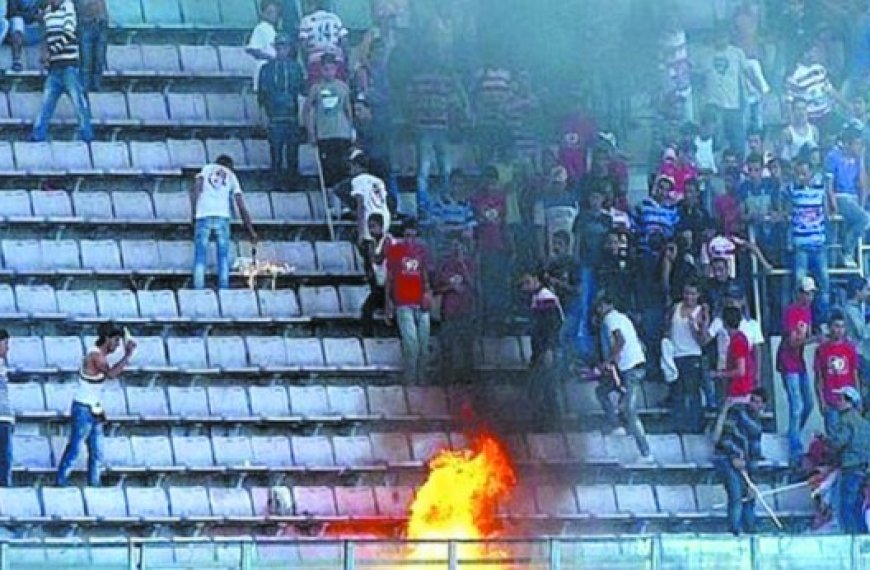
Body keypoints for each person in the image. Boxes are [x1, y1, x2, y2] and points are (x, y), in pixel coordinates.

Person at [56, 324, 136, 486]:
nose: (117, 345)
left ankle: (94, 485)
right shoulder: (95, 356)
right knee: (75, 448)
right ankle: (60, 481)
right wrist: (128, 355)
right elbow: (112, 374)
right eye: (115, 340)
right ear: (106, 338)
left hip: (93, 408)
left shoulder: (100, 356)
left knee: (97, 452)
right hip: (83, 408)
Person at [594, 295, 653, 462]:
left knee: (629, 409)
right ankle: (616, 425)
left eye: (600, 307)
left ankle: (646, 452)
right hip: (627, 369)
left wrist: (608, 361)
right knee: (602, 391)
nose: (598, 311)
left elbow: (620, 340)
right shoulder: (623, 317)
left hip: (631, 370)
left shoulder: (610, 320)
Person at [407, 62, 468, 214]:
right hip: (427, 128)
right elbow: (410, 102)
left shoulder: (443, 80)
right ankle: (424, 202)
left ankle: (443, 197)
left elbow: (456, 101)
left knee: (442, 168)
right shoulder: (420, 79)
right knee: (425, 169)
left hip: (440, 128)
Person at [190, 155, 259, 289]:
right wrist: (250, 230)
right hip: (222, 216)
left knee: (200, 256)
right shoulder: (231, 176)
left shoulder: (206, 169)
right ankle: (223, 289)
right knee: (223, 257)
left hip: (203, 214)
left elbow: (195, 190)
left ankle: (198, 290)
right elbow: (241, 205)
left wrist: (193, 212)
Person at [32, 0, 93, 143]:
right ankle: (38, 134)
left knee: (78, 102)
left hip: (68, 66)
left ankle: (87, 134)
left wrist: (51, 51)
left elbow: (69, 33)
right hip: (54, 67)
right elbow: (47, 36)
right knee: (46, 103)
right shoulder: (47, 11)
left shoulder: (68, 6)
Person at [712, 388, 767, 536]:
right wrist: (734, 456)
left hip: (744, 464)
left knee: (749, 496)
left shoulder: (757, 427)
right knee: (736, 494)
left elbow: (755, 455)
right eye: (752, 400)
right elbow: (726, 437)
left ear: (763, 406)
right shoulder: (736, 412)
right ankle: (734, 530)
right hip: (725, 458)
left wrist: (752, 482)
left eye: (757, 402)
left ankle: (750, 530)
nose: (753, 404)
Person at [786, 155, 833, 323]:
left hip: (819, 244)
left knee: (824, 282)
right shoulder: (792, 189)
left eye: (804, 173)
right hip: (801, 246)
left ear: (810, 173)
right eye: (798, 173)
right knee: (800, 283)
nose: (801, 177)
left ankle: (821, 321)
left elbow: (827, 210)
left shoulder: (820, 189)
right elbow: (786, 209)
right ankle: (798, 320)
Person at [777, 277, 819, 462]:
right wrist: (814, 339)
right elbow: (793, 341)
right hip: (788, 360)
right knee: (797, 405)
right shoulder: (792, 312)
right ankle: (794, 445)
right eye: (807, 293)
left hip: (798, 361)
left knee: (808, 403)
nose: (810, 296)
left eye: (812, 293)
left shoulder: (807, 311)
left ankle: (793, 434)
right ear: (799, 293)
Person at [385, 219, 432, 383]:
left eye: (413, 236)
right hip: (403, 302)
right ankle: (411, 382)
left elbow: (425, 274)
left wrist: (427, 292)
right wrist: (388, 303)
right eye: (407, 236)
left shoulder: (422, 251)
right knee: (411, 344)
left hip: (420, 301)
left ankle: (422, 381)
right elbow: (389, 278)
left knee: (424, 346)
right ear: (403, 236)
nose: (410, 239)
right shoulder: (395, 250)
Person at [258, 33, 304, 186]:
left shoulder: (296, 68)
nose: (282, 49)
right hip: (274, 116)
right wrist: (264, 116)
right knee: (276, 152)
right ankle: (276, 183)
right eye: (279, 46)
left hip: (292, 116)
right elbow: (262, 95)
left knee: (292, 153)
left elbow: (302, 91)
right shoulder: (266, 69)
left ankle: (293, 184)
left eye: (285, 46)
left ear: (289, 48)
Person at [520, 271, 564, 427]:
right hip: (540, 350)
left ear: (535, 280)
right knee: (542, 387)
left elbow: (552, 326)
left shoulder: (545, 297)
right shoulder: (537, 297)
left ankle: (551, 422)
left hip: (546, 350)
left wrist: (548, 349)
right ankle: (547, 421)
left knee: (545, 387)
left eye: (526, 282)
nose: (524, 287)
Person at [304, 52, 353, 189]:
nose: (329, 72)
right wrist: (311, 132)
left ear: (336, 69)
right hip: (324, 135)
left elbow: (348, 110)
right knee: (328, 168)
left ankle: (342, 200)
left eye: (331, 69)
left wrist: (352, 130)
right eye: (326, 69)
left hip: (342, 134)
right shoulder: (316, 88)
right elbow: (306, 111)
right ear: (321, 70)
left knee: (343, 167)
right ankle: (331, 198)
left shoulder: (343, 87)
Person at [666, 280, 710, 433]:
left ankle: (695, 425)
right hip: (675, 355)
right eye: (686, 293)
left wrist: (694, 326)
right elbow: (668, 328)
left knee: (692, 392)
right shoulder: (676, 308)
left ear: (698, 295)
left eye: (692, 293)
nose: (689, 297)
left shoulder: (700, 311)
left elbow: (703, 340)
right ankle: (679, 426)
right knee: (677, 392)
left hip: (692, 355)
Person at [827, 386, 870, 534]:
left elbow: (838, 443)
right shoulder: (864, 422)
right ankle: (863, 537)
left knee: (846, 507)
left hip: (851, 468)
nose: (837, 402)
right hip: (864, 470)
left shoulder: (846, 420)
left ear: (849, 402)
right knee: (858, 507)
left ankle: (851, 538)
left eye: (841, 399)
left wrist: (825, 441)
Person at [825, 127, 868, 268]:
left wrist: (860, 160)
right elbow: (829, 184)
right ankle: (847, 250)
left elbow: (863, 185)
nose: (859, 147)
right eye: (857, 143)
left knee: (862, 218)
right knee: (864, 218)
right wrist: (832, 203)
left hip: (853, 198)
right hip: (840, 196)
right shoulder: (833, 156)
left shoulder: (857, 160)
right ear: (848, 143)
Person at [436, 238, 475, 381]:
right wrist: (450, 287)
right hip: (448, 312)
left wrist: (462, 265)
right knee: (447, 346)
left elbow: (474, 285)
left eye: (460, 248)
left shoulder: (470, 264)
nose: (457, 251)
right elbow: (437, 288)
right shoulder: (445, 266)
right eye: (454, 248)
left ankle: (468, 378)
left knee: (467, 347)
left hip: (466, 310)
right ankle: (447, 378)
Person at [815, 311, 861, 433]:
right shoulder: (822, 350)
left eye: (842, 326)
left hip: (848, 402)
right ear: (830, 327)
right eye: (836, 326)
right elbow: (819, 378)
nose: (839, 330)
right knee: (833, 441)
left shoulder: (850, 349)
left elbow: (855, 375)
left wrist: (858, 399)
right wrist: (821, 402)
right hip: (831, 402)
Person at [351, 149, 391, 255]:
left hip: (370, 219)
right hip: (384, 218)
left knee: (369, 259)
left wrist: (361, 232)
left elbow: (361, 205)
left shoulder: (357, 180)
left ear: (357, 166)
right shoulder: (378, 181)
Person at [298, 0, 347, 86]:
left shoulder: (306, 20)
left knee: (315, 91)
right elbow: (344, 40)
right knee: (339, 90)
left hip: (315, 60)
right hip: (335, 59)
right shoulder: (335, 18)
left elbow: (303, 44)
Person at [711, 306, 756, 401]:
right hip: (739, 388)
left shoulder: (737, 341)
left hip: (739, 390)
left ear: (724, 323)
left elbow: (740, 371)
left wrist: (719, 374)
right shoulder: (739, 338)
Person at [361, 213, 390, 337]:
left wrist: (370, 253)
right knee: (366, 310)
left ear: (381, 226)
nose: (371, 230)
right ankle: (368, 338)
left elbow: (378, 259)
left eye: (373, 226)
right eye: (369, 227)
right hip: (378, 287)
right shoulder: (371, 243)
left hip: (390, 287)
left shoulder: (388, 241)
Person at [246, 0, 280, 87]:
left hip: (274, 68)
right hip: (264, 67)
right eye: (270, 12)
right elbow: (252, 49)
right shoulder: (260, 28)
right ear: (263, 13)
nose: (273, 15)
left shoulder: (273, 30)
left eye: (275, 12)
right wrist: (270, 57)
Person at [75, 0, 106, 92]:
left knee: (99, 60)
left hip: (101, 25)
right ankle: (85, 88)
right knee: (86, 61)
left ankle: (97, 86)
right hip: (85, 24)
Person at [9, 0, 42, 72]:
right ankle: (16, 61)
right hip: (17, 29)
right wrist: (32, 16)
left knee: (49, 20)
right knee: (17, 21)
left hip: (34, 29)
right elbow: (13, 12)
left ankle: (48, 60)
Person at [0, 330, 10, 487]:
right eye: (5, 344)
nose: (8, 348)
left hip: (5, 417)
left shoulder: (2, 365)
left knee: (6, 460)